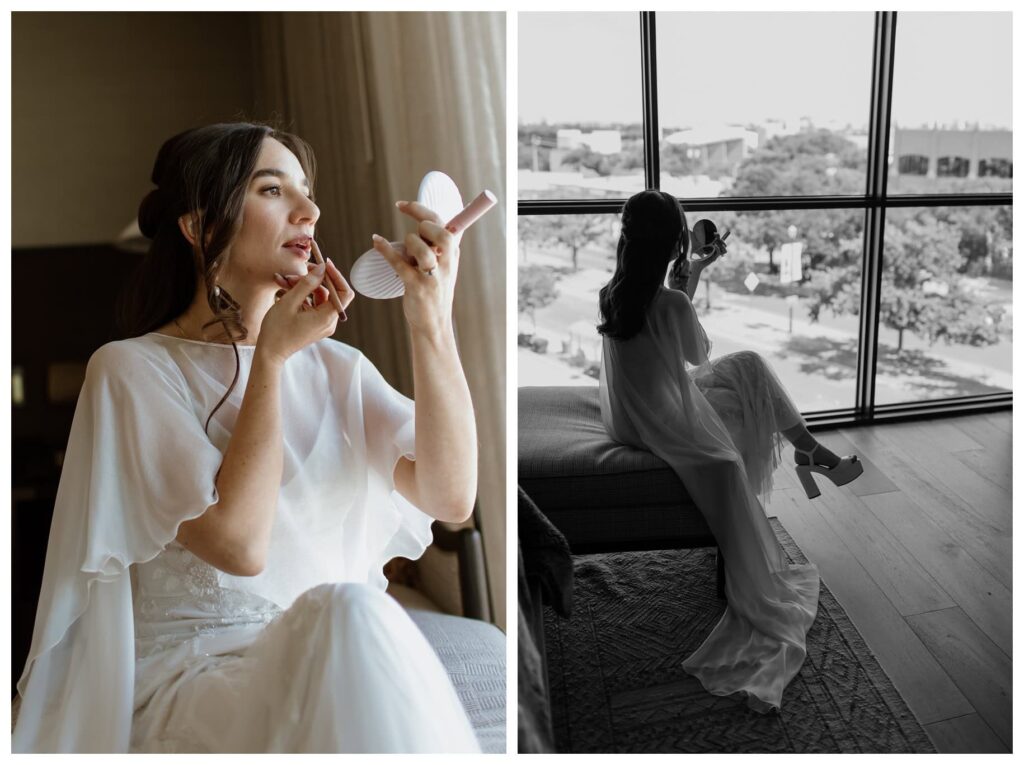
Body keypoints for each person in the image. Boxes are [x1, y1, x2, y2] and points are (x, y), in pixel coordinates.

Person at [13, 123, 482, 753]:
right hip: (197, 682)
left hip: (334, 656)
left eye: (307, 193)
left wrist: (432, 319)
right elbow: (239, 545)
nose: (308, 209)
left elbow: (451, 498)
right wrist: (271, 361)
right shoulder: (130, 371)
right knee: (353, 616)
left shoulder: (339, 370)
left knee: (356, 619)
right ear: (201, 227)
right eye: (272, 189)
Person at [596, 189, 863, 713]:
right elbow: (695, 352)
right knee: (750, 376)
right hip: (662, 419)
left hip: (628, 418)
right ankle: (812, 454)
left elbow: (667, 354)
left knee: (751, 367)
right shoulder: (669, 301)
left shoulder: (611, 291)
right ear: (674, 239)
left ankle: (811, 453)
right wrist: (688, 281)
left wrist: (688, 275)